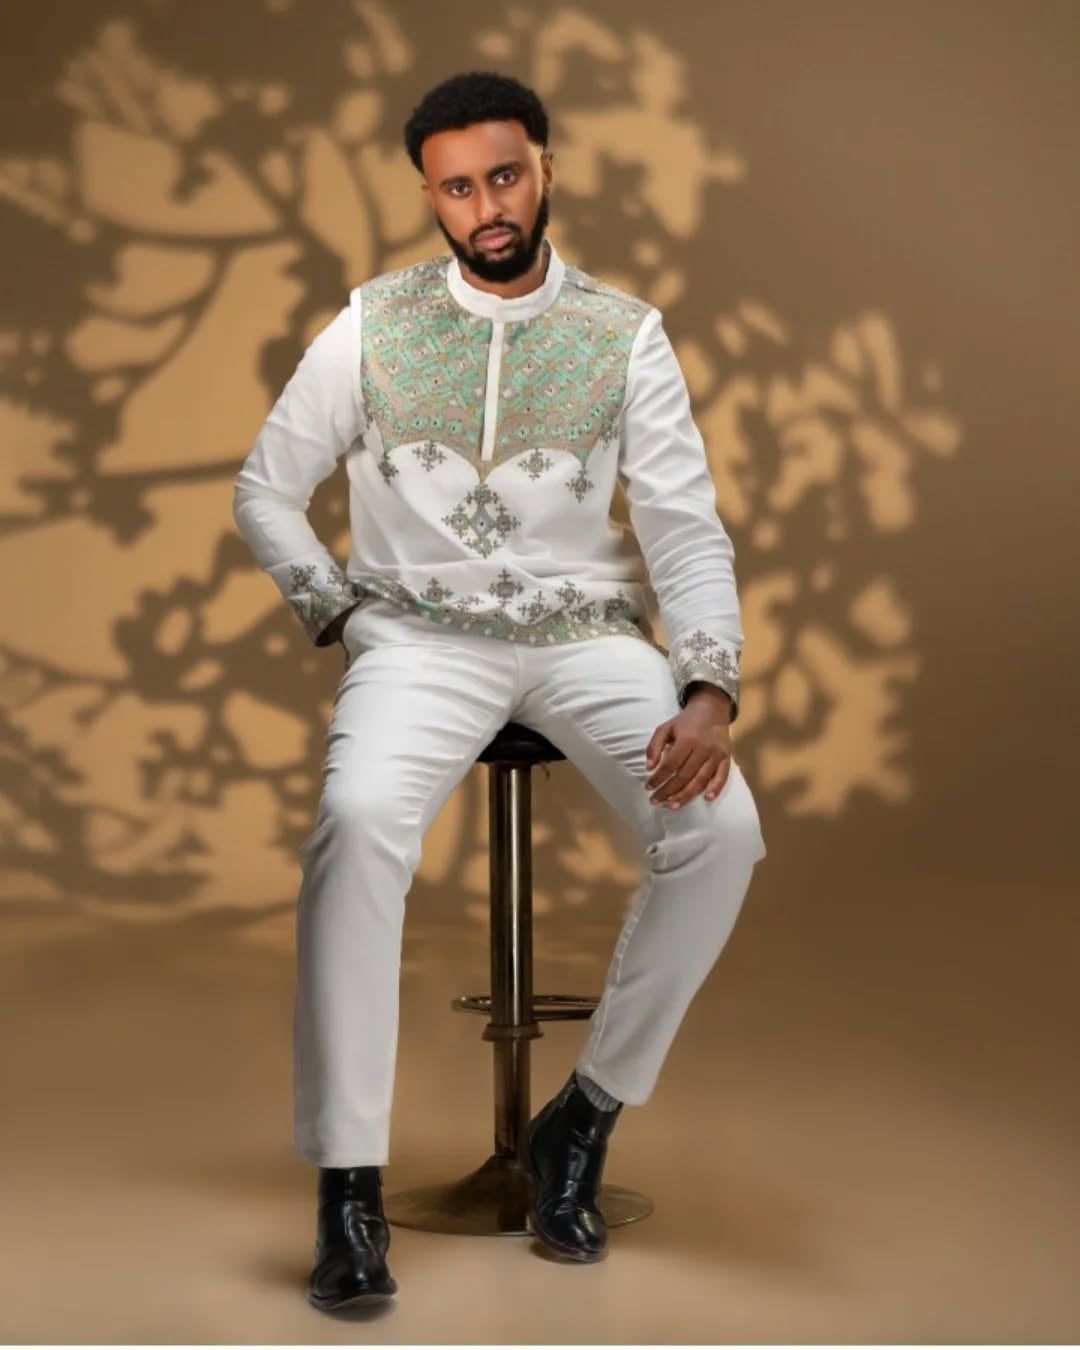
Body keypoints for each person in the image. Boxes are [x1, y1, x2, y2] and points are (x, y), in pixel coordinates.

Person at [232, 69, 767, 1312]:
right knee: (357, 826)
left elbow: (685, 531)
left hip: (588, 637)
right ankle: (349, 1189)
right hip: (416, 641)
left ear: (546, 167)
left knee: (725, 833)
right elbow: (266, 484)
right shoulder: (370, 320)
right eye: (460, 185)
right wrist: (335, 604)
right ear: (429, 193)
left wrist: (708, 688)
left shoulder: (623, 330)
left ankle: (580, 1119)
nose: (489, 204)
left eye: (507, 175)